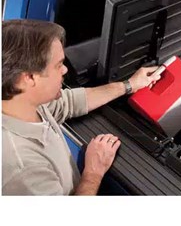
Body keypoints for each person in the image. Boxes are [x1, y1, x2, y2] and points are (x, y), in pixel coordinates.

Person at [2, 19, 161, 195]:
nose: (65, 70)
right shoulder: (23, 170)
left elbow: (69, 102)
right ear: (29, 78)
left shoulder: (25, 104)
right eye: (58, 65)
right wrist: (93, 172)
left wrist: (129, 85)